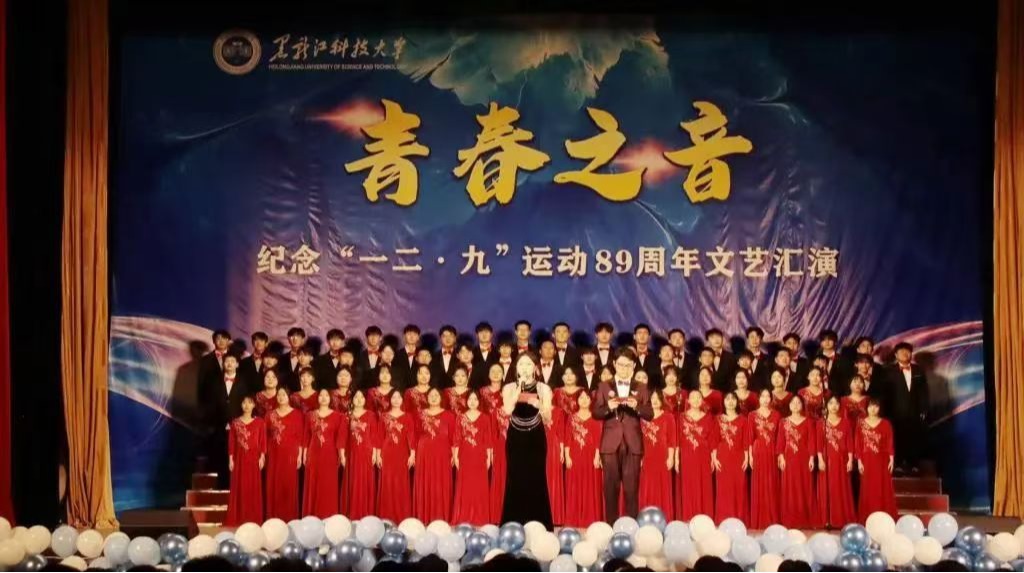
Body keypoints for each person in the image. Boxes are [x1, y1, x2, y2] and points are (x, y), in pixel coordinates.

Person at [593, 349, 653, 521]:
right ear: (614, 364)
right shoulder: (604, 386)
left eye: (628, 365)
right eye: (620, 365)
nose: (624, 368)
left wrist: (637, 407)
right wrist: (608, 408)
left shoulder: (641, 387)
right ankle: (611, 526)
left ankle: (631, 526)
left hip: (633, 443)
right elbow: (596, 413)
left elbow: (650, 414)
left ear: (633, 366)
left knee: (631, 489)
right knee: (610, 489)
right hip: (610, 444)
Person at [501, 352, 555, 528]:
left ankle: (539, 522)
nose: (524, 368)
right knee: (515, 477)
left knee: (536, 477)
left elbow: (548, 418)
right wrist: (518, 390)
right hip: (515, 437)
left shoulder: (543, 388)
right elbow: (507, 410)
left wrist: (538, 404)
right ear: (516, 368)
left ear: (535, 368)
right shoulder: (509, 387)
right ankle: (513, 522)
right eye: (521, 364)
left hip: (535, 437)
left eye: (528, 364)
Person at [200, 351, 248, 489]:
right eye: (227, 361)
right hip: (218, 426)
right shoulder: (214, 381)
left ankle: (236, 486)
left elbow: (246, 404)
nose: (229, 364)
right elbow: (209, 404)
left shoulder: (244, 382)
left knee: (237, 457)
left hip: (238, 426)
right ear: (223, 364)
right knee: (219, 456)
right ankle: (221, 486)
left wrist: (236, 422)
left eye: (232, 361)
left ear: (237, 364)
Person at [413, 387, 457, 522]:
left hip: (443, 454)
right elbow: (415, 435)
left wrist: (454, 455)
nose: (433, 398)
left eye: (436, 395)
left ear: (441, 398)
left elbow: (454, 437)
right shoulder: (420, 414)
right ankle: (424, 517)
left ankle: (441, 518)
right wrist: (413, 453)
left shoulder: (449, 415)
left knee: (441, 484)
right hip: (424, 454)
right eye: (431, 395)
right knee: (425, 483)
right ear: (427, 398)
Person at [302, 389, 347, 518]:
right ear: (317, 398)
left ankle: (328, 516)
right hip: (313, 454)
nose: (323, 397)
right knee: (313, 484)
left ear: (330, 398)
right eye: (321, 395)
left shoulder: (339, 416)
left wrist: (341, 455)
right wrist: (304, 453)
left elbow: (341, 438)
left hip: (330, 455)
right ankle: (311, 517)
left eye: (326, 395)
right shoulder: (310, 415)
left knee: (328, 485)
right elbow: (306, 436)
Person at [887, 342, 929, 474]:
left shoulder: (918, 370)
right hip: (895, 412)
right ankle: (898, 465)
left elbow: (924, 391)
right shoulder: (889, 371)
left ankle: (914, 464)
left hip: (914, 411)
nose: (905, 354)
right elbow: (886, 393)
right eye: (901, 351)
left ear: (911, 354)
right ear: (896, 355)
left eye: (907, 351)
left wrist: (924, 409)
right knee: (897, 438)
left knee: (914, 437)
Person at [452, 391, 494, 525]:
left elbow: (488, 440)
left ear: (479, 402)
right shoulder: (460, 418)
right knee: (465, 486)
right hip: (464, 455)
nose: (472, 401)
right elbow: (457, 438)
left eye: (475, 399)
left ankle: (480, 517)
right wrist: (455, 456)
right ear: (466, 401)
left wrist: (489, 457)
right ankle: (464, 517)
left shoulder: (485, 418)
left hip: (480, 456)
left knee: (479, 487)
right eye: (470, 399)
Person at [564, 391, 604, 527]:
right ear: (577, 400)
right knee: (575, 486)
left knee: (590, 487)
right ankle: (575, 519)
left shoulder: (596, 418)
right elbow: (568, 438)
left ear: (591, 400)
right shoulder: (572, 418)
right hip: (575, 456)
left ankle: (590, 519)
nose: (584, 400)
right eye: (581, 397)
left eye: (587, 397)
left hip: (591, 457)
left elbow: (599, 439)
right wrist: (567, 455)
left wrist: (597, 457)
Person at [225, 396, 265, 526]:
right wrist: (231, 459)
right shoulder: (235, 423)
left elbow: (262, 441)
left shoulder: (259, 422)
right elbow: (232, 442)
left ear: (254, 405)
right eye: (244, 402)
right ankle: (239, 517)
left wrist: (262, 456)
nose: (247, 405)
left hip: (254, 460)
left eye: (250, 402)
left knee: (252, 488)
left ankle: (252, 518)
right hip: (239, 460)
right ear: (241, 405)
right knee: (240, 487)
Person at [817, 396, 856, 528]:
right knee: (827, 489)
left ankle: (841, 519)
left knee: (841, 489)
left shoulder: (845, 423)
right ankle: (827, 519)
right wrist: (820, 460)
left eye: (836, 403)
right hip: (827, 461)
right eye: (831, 403)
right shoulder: (821, 423)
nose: (834, 406)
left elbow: (849, 442)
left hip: (841, 460)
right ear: (826, 406)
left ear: (840, 406)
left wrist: (850, 460)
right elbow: (819, 443)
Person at [777, 395, 816, 529]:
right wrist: (781, 457)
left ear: (802, 405)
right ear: (789, 406)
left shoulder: (808, 422)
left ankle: (805, 519)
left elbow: (811, 441)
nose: (795, 405)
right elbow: (781, 441)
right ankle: (790, 520)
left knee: (804, 487)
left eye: (798, 402)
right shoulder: (783, 422)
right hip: (789, 459)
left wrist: (811, 458)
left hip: (804, 458)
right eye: (793, 403)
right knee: (790, 488)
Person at [856, 398, 897, 520]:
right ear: (866, 408)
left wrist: (891, 459)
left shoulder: (886, 424)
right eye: (870, 406)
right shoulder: (861, 424)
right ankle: (867, 517)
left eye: (876, 406)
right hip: (866, 461)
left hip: (882, 461)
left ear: (879, 408)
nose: (873, 409)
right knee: (867, 489)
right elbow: (858, 444)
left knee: (883, 488)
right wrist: (859, 461)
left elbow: (889, 442)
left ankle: (884, 518)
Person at [479, 363, 511, 523]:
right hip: (487, 437)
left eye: (500, 371)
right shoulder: (481, 392)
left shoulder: (509, 393)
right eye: (493, 371)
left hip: (507, 440)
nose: (496, 374)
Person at [677, 390, 716, 520]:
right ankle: (689, 517)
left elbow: (712, 439)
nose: (696, 400)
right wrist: (676, 458)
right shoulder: (681, 417)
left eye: (698, 397)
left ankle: (705, 518)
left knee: (703, 485)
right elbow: (678, 438)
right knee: (689, 486)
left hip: (703, 455)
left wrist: (713, 457)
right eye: (693, 397)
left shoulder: (708, 418)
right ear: (688, 400)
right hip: (687, 455)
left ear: (702, 400)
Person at [265, 388, 302, 522]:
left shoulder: (297, 415)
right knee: (274, 485)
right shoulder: (270, 415)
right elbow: (265, 436)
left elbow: (300, 437)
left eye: (284, 394)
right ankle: (273, 519)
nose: (281, 397)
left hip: (291, 454)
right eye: (279, 395)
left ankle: (289, 519)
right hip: (274, 454)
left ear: (289, 397)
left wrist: (299, 455)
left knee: (289, 485)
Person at [378, 390, 415, 523]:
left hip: (402, 454)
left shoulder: (408, 417)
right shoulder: (384, 416)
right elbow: (379, 436)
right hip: (387, 454)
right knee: (388, 484)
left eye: (399, 397)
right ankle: (387, 517)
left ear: (402, 400)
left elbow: (411, 436)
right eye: (393, 397)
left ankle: (402, 517)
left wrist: (412, 454)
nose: (396, 400)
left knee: (401, 484)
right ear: (390, 400)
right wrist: (378, 455)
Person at [341, 389, 379, 519]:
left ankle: (366, 513)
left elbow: (374, 435)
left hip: (367, 453)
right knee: (353, 482)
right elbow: (343, 436)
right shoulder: (347, 416)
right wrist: (342, 454)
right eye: (356, 397)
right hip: (352, 454)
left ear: (365, 400)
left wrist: (375, 453)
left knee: (365, 481)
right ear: (352, 400)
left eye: (361, 397)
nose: (359, 399)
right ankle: (352, 513)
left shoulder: (371, 415)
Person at [639, 390, 676, 521]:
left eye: (657, 398)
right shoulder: (642, 418)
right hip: (647, 457)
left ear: (661, 400)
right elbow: (638, 439)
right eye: (652, 398)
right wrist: (640, 457)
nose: (655, 401)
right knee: (647, 487)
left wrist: (671, 457)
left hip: (663, 457)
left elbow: (672, 440)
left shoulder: (668, 417)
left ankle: (664, 518)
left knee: (663, 487)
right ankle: (646, 517)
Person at [747, 389, 781, 529]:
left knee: (772, 482)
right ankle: (758, 520)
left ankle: (772, 519)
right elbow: (750, 437)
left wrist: (779, 455)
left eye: (768, 396)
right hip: (758, 451)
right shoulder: (752, 415)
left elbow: (779, 437)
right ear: (759, 398)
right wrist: (750, 456)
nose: (766, 399)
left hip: (772, 450)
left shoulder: (777, 415)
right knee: (759, 483)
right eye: (763, 396)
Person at [714, 392, 748, 522]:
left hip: (738, 457)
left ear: (737, 402)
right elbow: (714, 440)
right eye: (727, 399)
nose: (730, 401)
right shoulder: (718, 419)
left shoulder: (743, 420)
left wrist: (746, 458)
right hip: (722, 457)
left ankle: (738, 518)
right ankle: (723, 518)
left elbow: (745, 440)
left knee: (739, 487)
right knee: (724, 489)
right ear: (723, 402)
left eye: (733, 399)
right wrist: (714, 458)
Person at [542, 356, 566, 525]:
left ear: (552, 394)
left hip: (554, 447)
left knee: (554, 479)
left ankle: (555, 516)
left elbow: (562, 433)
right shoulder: (534, 410)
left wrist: (563, 451)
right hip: (539, 446)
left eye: (548, 392)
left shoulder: (559, 411)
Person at [394, 324, 421, 388]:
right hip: (400, 389)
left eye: (414, 334)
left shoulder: (422, 354)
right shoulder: (396, 355)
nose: (411, 337)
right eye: (409, 334)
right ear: (404, 336)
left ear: (418, 337)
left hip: (419, 390)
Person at [746, 326, 770, 391]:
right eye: (752, 337)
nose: (754, 340)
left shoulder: (768, 359)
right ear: (747, 339)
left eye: (757, 337)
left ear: (761, 339)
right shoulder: (740, 357)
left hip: (761, 393)